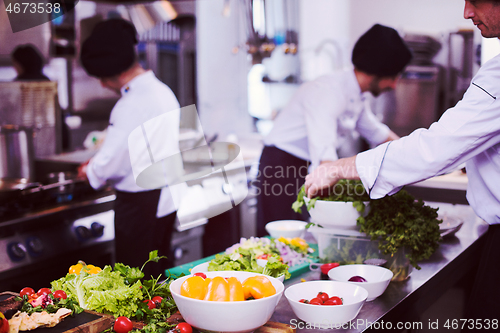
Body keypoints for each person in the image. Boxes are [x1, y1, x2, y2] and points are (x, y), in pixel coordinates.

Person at [304, 0, 500, 321]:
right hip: (295, 166)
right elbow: (326, 157)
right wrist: (340, 169)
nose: (466, 12)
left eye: (475, 0)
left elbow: (430, 146)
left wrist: (345, 167)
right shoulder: (330, 90)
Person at [255, 24, 412, 236]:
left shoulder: (356, 93)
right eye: (393, 77)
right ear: (377, 72)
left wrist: (411, 157)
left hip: (307, 164)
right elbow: (325, 156)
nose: (394, 86)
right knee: (283, 241)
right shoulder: (327, 92)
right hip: (282, 167)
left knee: (304, 239)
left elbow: (378, 133)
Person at [78, 18, 181, 278]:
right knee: (157, 278)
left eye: (101, 77)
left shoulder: (131, 104)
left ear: (113, 72)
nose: (102, 84)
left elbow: (114, 159)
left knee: (136, 281)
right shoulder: (163, 91)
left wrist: (91, 171)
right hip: (165, 199)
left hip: (140, 205)